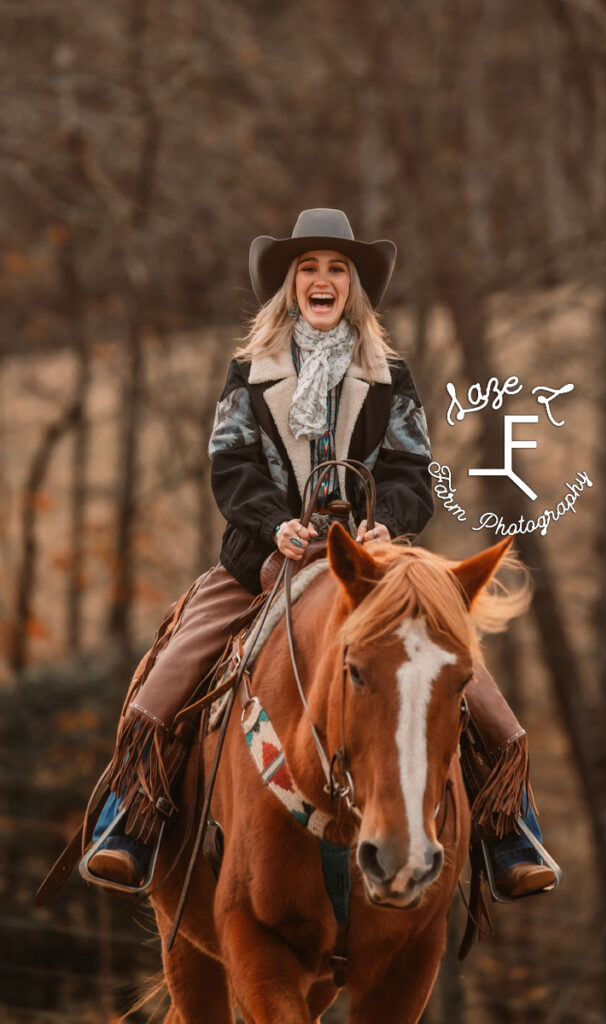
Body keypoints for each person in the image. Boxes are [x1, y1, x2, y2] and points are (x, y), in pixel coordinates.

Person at [83, 208, 555, 899]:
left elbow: (410, 472)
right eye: (309, 268)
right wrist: (275, 523)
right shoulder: (248, 371)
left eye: (337, 268)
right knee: (175, 668)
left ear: (354, 287)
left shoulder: (389, 374)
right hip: (262, 557)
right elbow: (230, 465)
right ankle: (130, 822)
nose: (323, 278)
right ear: (290, 285)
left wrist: (383, 528)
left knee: (466, 675)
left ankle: (510, 830)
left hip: (368, 566)